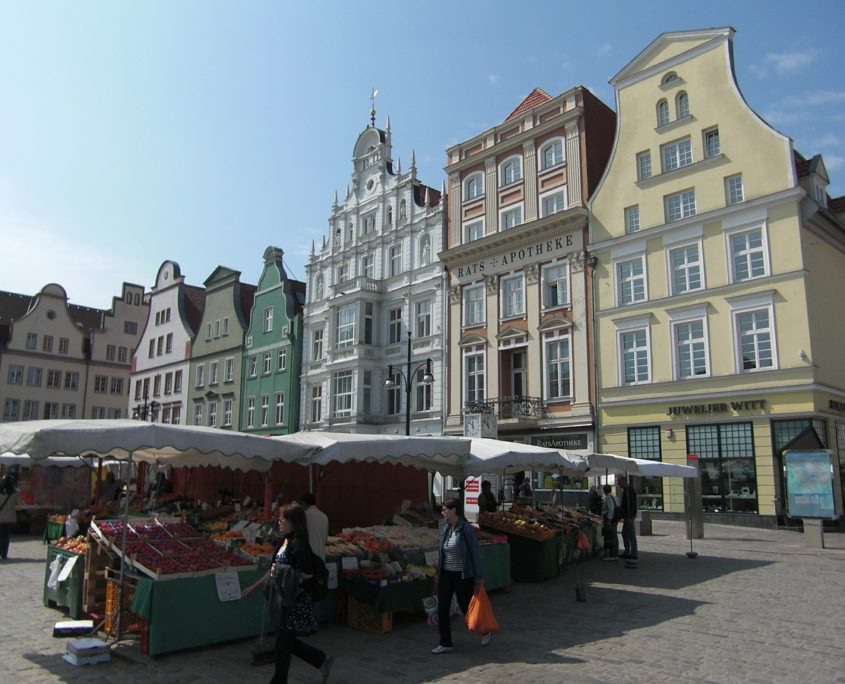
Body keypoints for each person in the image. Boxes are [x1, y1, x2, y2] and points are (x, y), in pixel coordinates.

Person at [242, 504, 333, 684]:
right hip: (282, 600)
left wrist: (287, 576)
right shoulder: (284, 542)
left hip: (293, 601)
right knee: (286, 642)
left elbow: (307, 573)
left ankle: (279, 680)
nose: (279, 521)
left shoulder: (299, 545)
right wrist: (255, 587)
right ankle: (321, 659)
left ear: (293, 522)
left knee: (283, 644)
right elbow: (273, 570)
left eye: (283, 519)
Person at [432, 498, 489, 654]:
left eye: (445, 510)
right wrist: (438, 573)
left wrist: (479, 578)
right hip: (446, 574)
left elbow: (475, 554)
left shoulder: (466, 529)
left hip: (462, 575)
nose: (443, 513)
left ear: (454, 510)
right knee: (442, 607)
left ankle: (484, 630)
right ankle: (445, 642)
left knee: (466, 607)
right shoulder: (445, 529)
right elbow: (441, 552)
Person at [299, 492, 328, 561]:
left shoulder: (304, 515)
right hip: (321, 556)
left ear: (303, 503)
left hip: (308, 557)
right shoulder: (324, 516)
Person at [618, 475, 638, 563]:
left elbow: (631, 504)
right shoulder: (626, 490)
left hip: (629, 516)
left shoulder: (629, 490)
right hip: (627, 515)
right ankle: (627, 551)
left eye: (619, 482)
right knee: (625, 534)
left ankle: (633, 554)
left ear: (623, 481)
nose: (618, 484)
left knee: (631, 535)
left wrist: (631, 515)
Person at [0, 474, 21, 560]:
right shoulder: (15, 493)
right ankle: (4, 553)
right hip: (9, 517)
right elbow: (19, 503)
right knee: (6, 536)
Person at [601, 484, 619, 561]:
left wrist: (609, 519)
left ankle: (612, 554)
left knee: (611, 536)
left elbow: (611, 509)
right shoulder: (614, 496)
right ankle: (615, 553)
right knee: (614, 535)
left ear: (605, 490)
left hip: (610, 519)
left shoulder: (608, 497)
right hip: (615, 518)